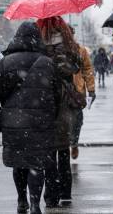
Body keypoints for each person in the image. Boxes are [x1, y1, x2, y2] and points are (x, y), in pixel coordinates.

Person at [0, 22, 59, 214]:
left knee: (19, 163)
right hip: (41, 123)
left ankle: (22, 200)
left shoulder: (6, 62)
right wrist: (50, 116)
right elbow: (57, 94)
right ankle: (35, 203)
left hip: (14, 122)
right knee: (36, 163)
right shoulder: (47, 62)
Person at [36, 16, 81, 207]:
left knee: (49, 152)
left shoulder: (39, 43)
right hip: (64, 101)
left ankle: (51, 195)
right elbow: (75, 66)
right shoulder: (69, 41)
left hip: (45, 100)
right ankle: (65, 192)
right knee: (62, 149)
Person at [70, 25, 96, 159]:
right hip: (59, 91)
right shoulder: (54, 49)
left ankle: (74, 143)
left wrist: (91, 89)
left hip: (76, 91)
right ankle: (63, 146)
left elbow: (87, 69)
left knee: (77, 120)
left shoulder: (80, 50)